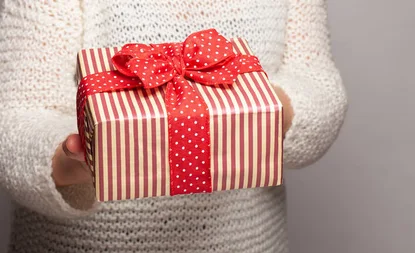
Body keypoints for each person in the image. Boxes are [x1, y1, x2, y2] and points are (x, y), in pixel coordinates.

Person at [0, 0, 347, 252]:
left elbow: (321, 87)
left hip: (249, 240)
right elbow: (15, 121)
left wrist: (257, 107)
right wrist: (68, 162)